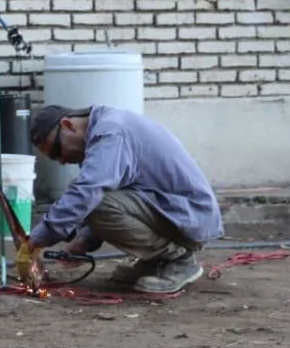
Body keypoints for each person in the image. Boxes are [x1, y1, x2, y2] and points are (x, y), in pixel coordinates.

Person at [24, 104, 224, 295]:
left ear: (68, 125)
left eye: (57, 151)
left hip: (191, 217)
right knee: (94, 200)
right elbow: (114, 192)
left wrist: (38, 238)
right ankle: (156, 262)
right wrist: (85, 240)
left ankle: (179, 260)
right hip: (176, 212)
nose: (61, 160)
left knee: (92, 199)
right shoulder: (107, 128)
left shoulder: (111, 133)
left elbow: (89, 192)